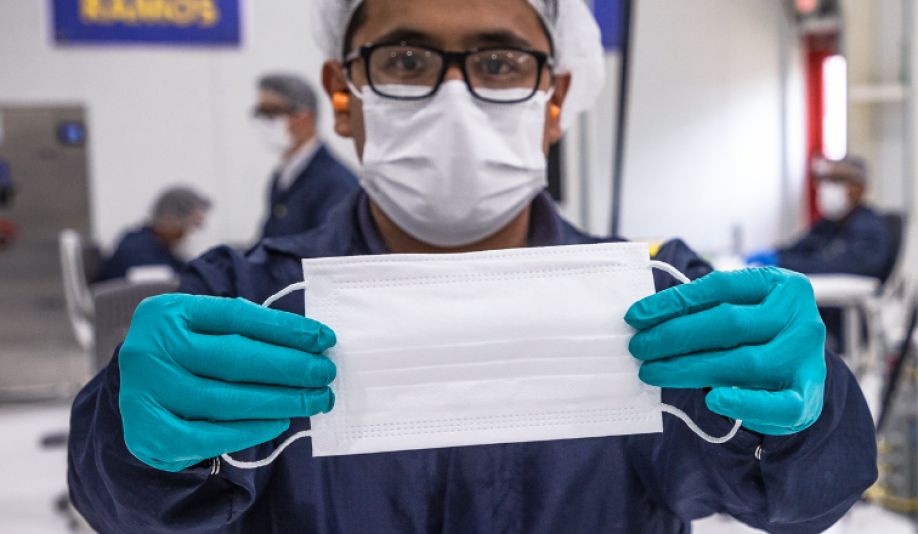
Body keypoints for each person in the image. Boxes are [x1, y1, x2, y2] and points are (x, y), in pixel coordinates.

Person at [69, 2, 877, 533]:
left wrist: (815, 411)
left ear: (554, 99)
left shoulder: (658, 300)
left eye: (499, 64)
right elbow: (126, 510)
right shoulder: (252, 303)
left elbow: (803, 500)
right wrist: (128, 442)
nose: (452, 100)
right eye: (405, 60)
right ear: (344, 95)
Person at [747, 156, 894, 279]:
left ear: (859, 188)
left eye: (837, 180)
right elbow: (798, 249)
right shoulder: (828, 224)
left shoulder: (870, 229)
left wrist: (781, 263)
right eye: (824, 180)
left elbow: (839, 267)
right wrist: (774, 255)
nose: (826, 187)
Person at [253, 73, 360, 240]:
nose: (262, 120)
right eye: (259, 112)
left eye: (270, 112)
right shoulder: (283, 177)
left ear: (304, 118)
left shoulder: (336, 183)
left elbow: (327, 248)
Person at [96, 186, 211, 282]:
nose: (190, 233)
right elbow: (163, 286)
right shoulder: (137, 250)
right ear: (169, 219)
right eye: (191, 225)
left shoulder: (162, 248)